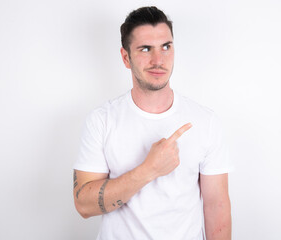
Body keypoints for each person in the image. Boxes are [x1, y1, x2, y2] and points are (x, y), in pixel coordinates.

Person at [73, 6, 233, 240]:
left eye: (166, 47)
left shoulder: (205, 121)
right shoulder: (102, 120)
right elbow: (84, 205)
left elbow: (216, 206)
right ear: (126, 57)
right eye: (145, 49)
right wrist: (149, 169)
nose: (158, 60)